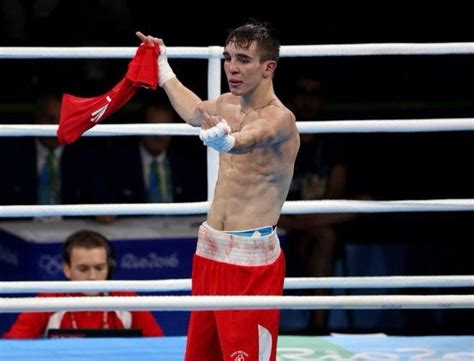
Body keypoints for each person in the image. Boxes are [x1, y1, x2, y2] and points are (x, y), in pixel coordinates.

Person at [137, 19, 300, 361]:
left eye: (243, 59)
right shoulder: (225, 104)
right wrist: (163, 69)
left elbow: (252, 137)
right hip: (209, 249)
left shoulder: (280, 119)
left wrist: (226, 140)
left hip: (250, 261)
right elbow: (194, 111)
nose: (231, 68)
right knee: (201, 354)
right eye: (228, 58)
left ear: (268, 67)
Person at [3, 230, 164, 338]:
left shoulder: (126, 299)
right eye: (83, 269)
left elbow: (160, 346)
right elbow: (11, 347)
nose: (93, 277)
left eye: (99, 268)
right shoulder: (48, 300)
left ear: (109, 267)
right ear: (67, 269)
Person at [107, 99, 206, 204]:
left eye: (166, 128)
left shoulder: (186, 160)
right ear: (141, 126)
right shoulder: (120, 161)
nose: (159, 135)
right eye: (154, 127)